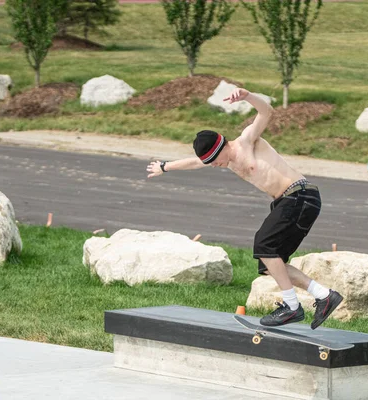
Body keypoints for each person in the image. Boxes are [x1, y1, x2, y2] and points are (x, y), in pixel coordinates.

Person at [146, 87, 342, 329]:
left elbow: (267, 112)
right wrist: (166, 167)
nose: (214, 166)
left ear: (222, 148)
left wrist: (248, 96)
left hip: (300, 195)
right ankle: (324, 296)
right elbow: (194, 162)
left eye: (214, 161)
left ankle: (292, 307)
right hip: (288, 202)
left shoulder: (247, 141)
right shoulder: (225, 161)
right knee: (270, 262)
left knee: (264, 245)